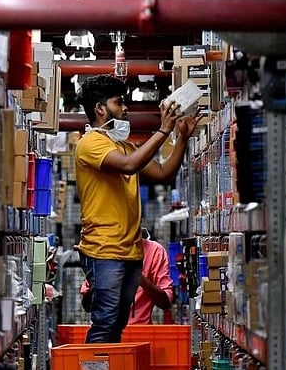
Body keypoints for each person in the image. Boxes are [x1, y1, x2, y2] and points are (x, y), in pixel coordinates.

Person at [75, 74, 199, 343]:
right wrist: (163, 130)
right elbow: (130, 164)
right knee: (106, 321)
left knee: (117, 323)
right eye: (119, 102)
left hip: (130, 252)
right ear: (100, 109)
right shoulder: (91, 143)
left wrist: (182, 139)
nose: (125, 108)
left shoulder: (123, 145)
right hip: (104, 250)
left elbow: (163, 172)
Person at [80, 228, 174, 325]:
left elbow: (166, 303)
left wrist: (140, 279)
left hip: (139, 331)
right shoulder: (102, 251)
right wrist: (97, 278)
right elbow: (87, 306)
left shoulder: (154, 251)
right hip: (106, 331)